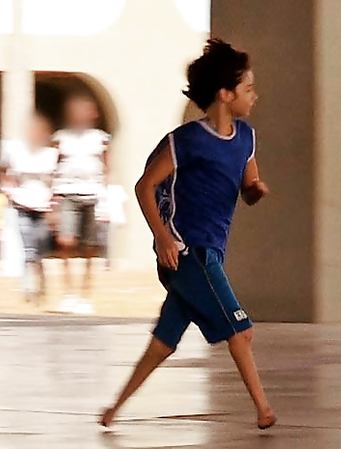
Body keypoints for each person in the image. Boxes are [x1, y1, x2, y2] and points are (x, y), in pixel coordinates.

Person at [99, 39, 276, 430]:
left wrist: (255, 191)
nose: (255, 96)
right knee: (241, 330)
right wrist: (163, 237)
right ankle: (263, 409)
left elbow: (248, 185)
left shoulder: (246, 138)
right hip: (187, 252)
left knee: (163, 342)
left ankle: (113, 410)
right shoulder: (188, 141)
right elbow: (145, 186)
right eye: (248, 89)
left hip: (210, 251)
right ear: (225, 94)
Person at [52, 94, 111, 314]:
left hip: (92, 195)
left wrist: (107, 195)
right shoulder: (61, 137)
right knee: (65, 242)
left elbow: (107, 168)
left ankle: (85, 295)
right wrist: (52, 197)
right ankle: (69, 293)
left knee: (89, 246)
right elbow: (53, 165)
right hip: (67, 193)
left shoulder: (100, 138)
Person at [0, 112, 59, 304]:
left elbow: (56, 180)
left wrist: (54, 206)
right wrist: (9, 190)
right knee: (29, 251)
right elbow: (4, 171)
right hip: (22, 206)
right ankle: (28, 288)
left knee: (40, 252)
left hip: (42, 209)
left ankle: (41, 284)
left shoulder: (50, 155)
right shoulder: (16, 152)